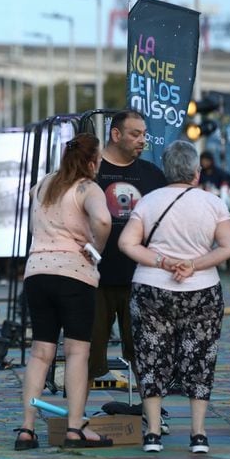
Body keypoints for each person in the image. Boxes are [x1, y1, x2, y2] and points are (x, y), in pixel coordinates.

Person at [118, 140, 230, 454]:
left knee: (151, 356)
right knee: (201, 358)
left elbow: (127, 244)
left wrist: (162, 261)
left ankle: (154, 432)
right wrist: (193, 264)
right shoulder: (213, 204)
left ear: (165, 171)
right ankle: (198, 434)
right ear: (196, 173)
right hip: (202, 291)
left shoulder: (148, 202)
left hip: (151, 288)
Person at [13, 134, 112, 450]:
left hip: (37, 272)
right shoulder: (87, 187)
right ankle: (74, 428)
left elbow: (33, 208)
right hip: (73, 274)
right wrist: (96, 248)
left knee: (41, 353)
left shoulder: (45, 183)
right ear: (92, 160)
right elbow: (103, 219)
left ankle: (27, 429)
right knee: (76, 352)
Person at [88, 110, 166, 388]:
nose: (142, 140)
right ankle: (77, 418)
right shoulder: (91, 170)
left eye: (144, 134)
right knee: (87, 357)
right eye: (135, 134)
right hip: (94, 278)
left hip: (141, 278)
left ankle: (154, 415)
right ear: (116, 134)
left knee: (145, 354)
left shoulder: (153, 174)